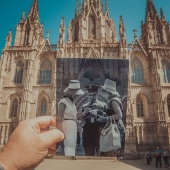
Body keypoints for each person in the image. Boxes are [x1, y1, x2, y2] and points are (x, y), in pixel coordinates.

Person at [94, 79, 125, 157]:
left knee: (112, 149)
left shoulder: (114, 101)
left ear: (108, 92)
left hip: (115, 127)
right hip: (113, 125)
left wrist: (105, 119)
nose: (103, 94)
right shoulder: (113, 100)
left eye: (104, 92)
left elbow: (119, 115)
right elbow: (112, 112)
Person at [57, 80, 84, 157]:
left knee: (72, 145)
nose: (77, 96)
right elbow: (59, 116)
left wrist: (82, 114)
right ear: (70, 93)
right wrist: (60, 129)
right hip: (67, 124)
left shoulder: (72, 104)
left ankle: (71, 161)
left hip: (73, 125)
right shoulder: (63, 101)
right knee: (68, 145)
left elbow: (75, 116)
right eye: (76, 94)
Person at [78, 85, 107, 156]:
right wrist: (85, 113)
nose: (91, 97)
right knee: (88, 154)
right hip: (88, 132)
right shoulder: (84, 106)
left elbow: (108, 117)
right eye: (90, 95)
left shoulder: (103, 105)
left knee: (101, 153)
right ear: (87, 94)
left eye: (93, 95)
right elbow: (81, 119)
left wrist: (98, 113)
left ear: (96, 93)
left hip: (99, 131)